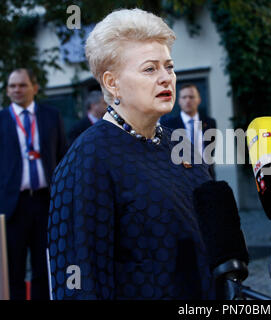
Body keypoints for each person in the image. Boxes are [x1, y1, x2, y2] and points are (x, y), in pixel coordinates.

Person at [47, 8, 215, 299]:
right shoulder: (87, 159)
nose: (166, 79)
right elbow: (79, 281)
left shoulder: (179, 144)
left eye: (169, 67)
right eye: (150, 69)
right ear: (113, 84)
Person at [0, 68, 67, 300]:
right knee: (14, 267)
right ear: (7, 91)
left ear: (34, 88)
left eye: (22, 85)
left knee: (44, 265)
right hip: (12, 205)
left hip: (45, 202)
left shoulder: (51, 116)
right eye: (12, 86)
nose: (17, 90)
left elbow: (62, 156)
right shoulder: (1, 119)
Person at [161, 83, 216, 179]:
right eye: (184, 97)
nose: (188, 101)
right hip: (181, 179)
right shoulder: (168, 124)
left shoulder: (210, 123)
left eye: (191, 97)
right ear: (179, 101)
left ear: (199, 100)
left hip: (207, 176)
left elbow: (210, 151)